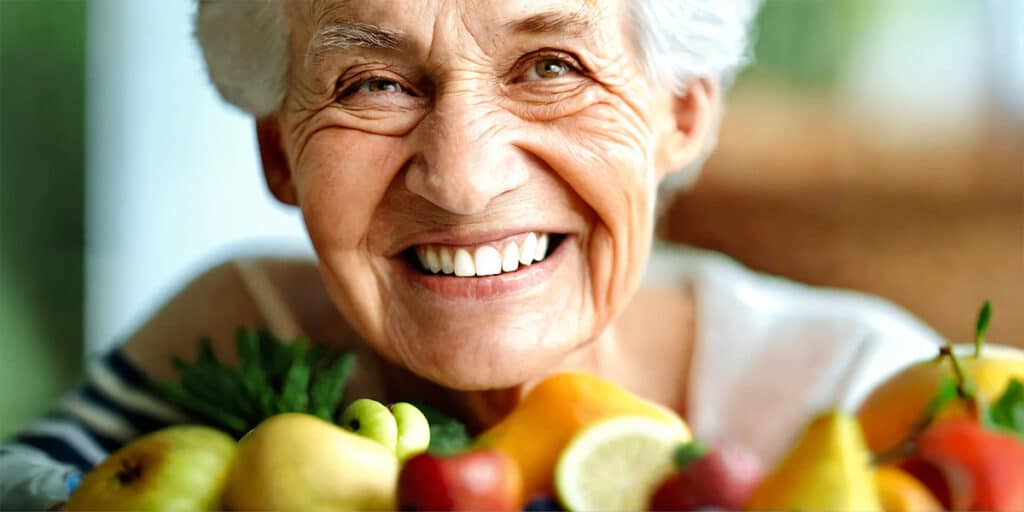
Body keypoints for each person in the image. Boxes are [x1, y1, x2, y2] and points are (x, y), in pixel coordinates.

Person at [0, 0, 944, 509]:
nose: (461, 177)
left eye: (550, 67)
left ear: (681, 114)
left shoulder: (871, 393)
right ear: (280, 152)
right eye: (372, 83)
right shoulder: (241, 324)